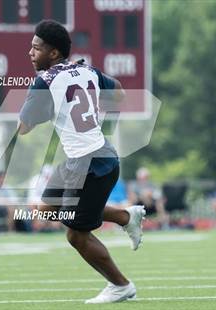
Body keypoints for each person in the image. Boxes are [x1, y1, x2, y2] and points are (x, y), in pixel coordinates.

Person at [18, 20, 145, 304]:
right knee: (46, 209)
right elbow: (120, 92)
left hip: (91, 163)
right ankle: (126, 217)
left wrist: (43, 105)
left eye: (36, 48)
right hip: (86, 157)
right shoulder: (86, 68)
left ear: (53, 53)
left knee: (76, 236)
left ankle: (121, 285)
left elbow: (24, 127)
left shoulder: (44, 80)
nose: (30, 52)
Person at [27, 164, 62, 232]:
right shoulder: (35, 180)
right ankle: (36, 227)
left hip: (46, 202)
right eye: (47, 175)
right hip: (36, 202)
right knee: (34, 205)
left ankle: (55, 226)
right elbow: (32, 197)